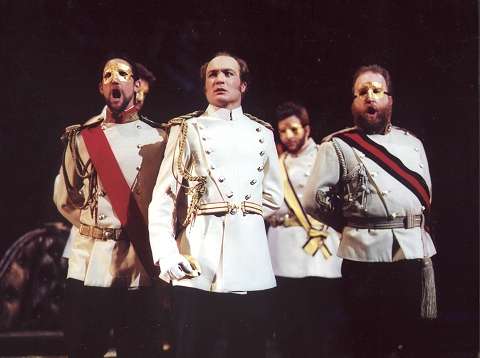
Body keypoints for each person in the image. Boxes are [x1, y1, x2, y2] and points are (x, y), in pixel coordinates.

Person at [148, 51, 283, 358]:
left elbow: (274, 197)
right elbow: (164, 198)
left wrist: (243, 214)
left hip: (250, 263)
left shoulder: (262, 132)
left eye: (228, 73)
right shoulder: (187, 130)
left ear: (243, 85)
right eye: (212, 74)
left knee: (248, 349)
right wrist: (167, 255)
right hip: (198, 258)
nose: (219, 79)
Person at [303, 64, 437, 358]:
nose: (370, 96)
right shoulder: (338, 145)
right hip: (364, 255)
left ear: (390, 99)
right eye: (362, 91)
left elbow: (425, 199)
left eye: (377, 90)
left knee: (409, 338)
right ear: (353, 102)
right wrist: (348, 223)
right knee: (368, 342)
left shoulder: (413, 143)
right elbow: (312, 199)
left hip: (410, 253)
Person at [53, 56, 167, 358]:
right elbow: (63, 197)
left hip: (137, 259)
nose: (114, 79)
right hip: (91, 259)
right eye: (107, 76)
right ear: (101, 89)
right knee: (84, 348)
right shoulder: (83, 136)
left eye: (122, 74)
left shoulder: (160, 137)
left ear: (136, 84)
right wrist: (93, 227)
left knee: (140, 349)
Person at [266, 101, 346, 358]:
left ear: (307, 129)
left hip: (319, 251)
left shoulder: (326, 156)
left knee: (319, 326)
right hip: (284, 248)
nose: (288, 136)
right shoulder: (276, 162)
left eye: (294, 129)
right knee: (288, 325)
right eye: (283, 131)